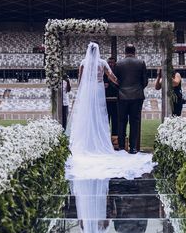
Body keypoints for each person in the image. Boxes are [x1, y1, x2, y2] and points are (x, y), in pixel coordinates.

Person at [65, 42, 154, 181]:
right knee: (104, 118)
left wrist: (121, 89)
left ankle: (97, 145)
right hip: (109, 92)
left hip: (89, 92)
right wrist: (127, 86)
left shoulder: (83, 62)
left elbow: (80, 79)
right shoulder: (103, 63)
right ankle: (128, 148)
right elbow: (113, 78)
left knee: (92, 119)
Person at [114, 44, 148, 154]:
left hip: (122, 96)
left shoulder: (118, 64)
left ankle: (121, 147)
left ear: (125, 52)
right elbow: (145, 81)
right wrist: (138, 88)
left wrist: (121, 89)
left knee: (121, 122)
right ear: (134, 52)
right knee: (134, 122)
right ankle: (133, 147)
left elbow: (115, 81)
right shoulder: (141, 63)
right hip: (137, 96)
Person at [104, 57, 118, 136]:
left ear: (115, 63)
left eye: (112, 63)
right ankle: (106, 137)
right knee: (106, 121)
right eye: (109, 62)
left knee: (115, 120)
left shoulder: (117, 72)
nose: (110, 64)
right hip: (106, 100)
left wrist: (110, 83)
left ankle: (115, 137)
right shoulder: (103, 73)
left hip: (115, 100)